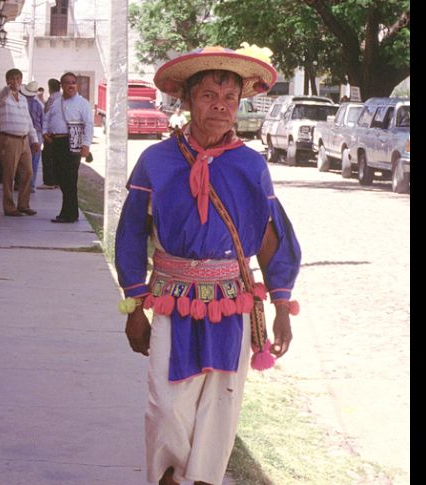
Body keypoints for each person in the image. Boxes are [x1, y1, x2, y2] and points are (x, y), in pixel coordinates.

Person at [114, 45, 302, 485]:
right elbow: (131, 233)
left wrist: (280, 306)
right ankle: (166, 477)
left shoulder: (251, 166)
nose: (220, 105)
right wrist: (134, 304)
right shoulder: (155, 161)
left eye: (230, 98)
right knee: (166, 406)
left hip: (231, 306)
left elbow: (271, 236)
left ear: (240, 104)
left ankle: (200, 481)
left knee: (220, 406)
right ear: (187, 101)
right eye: (208, 96)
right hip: (172, 304)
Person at [42, 72, 93, 223]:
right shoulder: (56, 102)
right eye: (67, 83)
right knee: (60, 177)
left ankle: (69, 214)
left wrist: (86, 145)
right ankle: (69, 211)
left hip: (74, 140)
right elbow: (47, 118)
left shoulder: (82, 103)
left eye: (73, 82)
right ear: (62, 85)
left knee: (70, 178)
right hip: (56, 142)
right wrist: (45, 132)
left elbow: (88, 124)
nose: (71, 85)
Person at [0, 68, 40, 217]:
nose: (16, 82)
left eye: (18, 79)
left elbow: (29, 121)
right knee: (9, 174)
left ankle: (23, 204)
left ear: (21, 81)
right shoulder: (2, 96)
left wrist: (34, 140)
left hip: (23, 140)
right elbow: (2, 95)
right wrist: (9, 89)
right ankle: (9, 207)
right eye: (12, 79)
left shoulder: (23, 99)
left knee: (27, 172)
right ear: (7, 81)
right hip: (9, 139)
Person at [20, 80, 44, 193]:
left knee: (22, 160)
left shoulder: (21, 103)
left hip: (24, 132)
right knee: (34, 161)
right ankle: (31, 185)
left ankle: (22, 183)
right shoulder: (39, 105)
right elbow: (43, 122)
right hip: (37, 134)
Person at [38, 78, 62, 190]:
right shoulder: (61, 97)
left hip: (51, 132)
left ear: (50, 87)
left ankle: (49, 181)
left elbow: (47, 115)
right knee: (57, 157)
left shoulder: (52, 98)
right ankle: (57, 180)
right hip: (60, 132)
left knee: (47, 157)